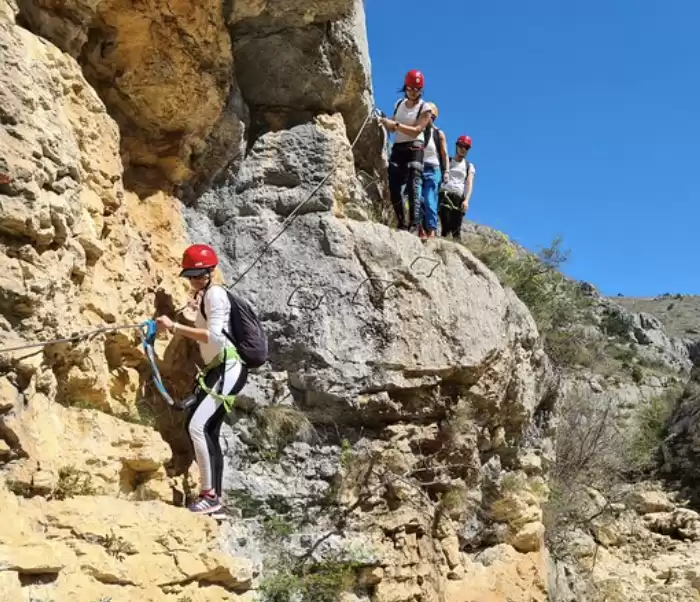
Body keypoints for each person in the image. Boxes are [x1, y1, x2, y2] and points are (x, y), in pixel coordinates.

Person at [155, 244, 248, 514]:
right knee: (208, 431)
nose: (196, 279)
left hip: (227, 367)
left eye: (200, 274)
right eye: (192, 275)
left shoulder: (215, 295)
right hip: (220, 368)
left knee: (197, 427)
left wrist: (175, 327)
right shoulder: (207, 295)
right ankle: (215, 498)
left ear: (210, 271)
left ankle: (209, 496)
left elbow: (215, 336)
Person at [380, 69, 434, 234]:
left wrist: (395, 126)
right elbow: (393, 123)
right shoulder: (399, 104)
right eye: (410, 88)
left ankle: (413, 224)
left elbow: (417, 129)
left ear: (421, 90)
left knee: (413, 185)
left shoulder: (425, 108)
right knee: (394, 184)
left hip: (415, 147)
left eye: (416, 89)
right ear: (405, 87)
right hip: (398, 147)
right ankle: (401, 221)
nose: (412, 92)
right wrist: (383, 121)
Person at [419, 102, 449, 240]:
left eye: (429, 115)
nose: (426, 117)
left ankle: (431, 230)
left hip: (433, 168)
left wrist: (446, 171)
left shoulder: (438, 133)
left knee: (430, 199)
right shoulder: (417, 129)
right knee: (418, 198)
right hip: (418, 167)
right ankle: (420, 229)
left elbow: (444, 154)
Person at [439, 135, 476, 240]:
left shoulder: (469, 166)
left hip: (458, 198)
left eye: (466, 147)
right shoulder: (448, 161)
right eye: (461, 146)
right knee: (445, 225)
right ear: (457, 146)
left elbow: (469, 183)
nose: (463, 149)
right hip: (445, 193)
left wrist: (466, 200)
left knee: (456, 230)